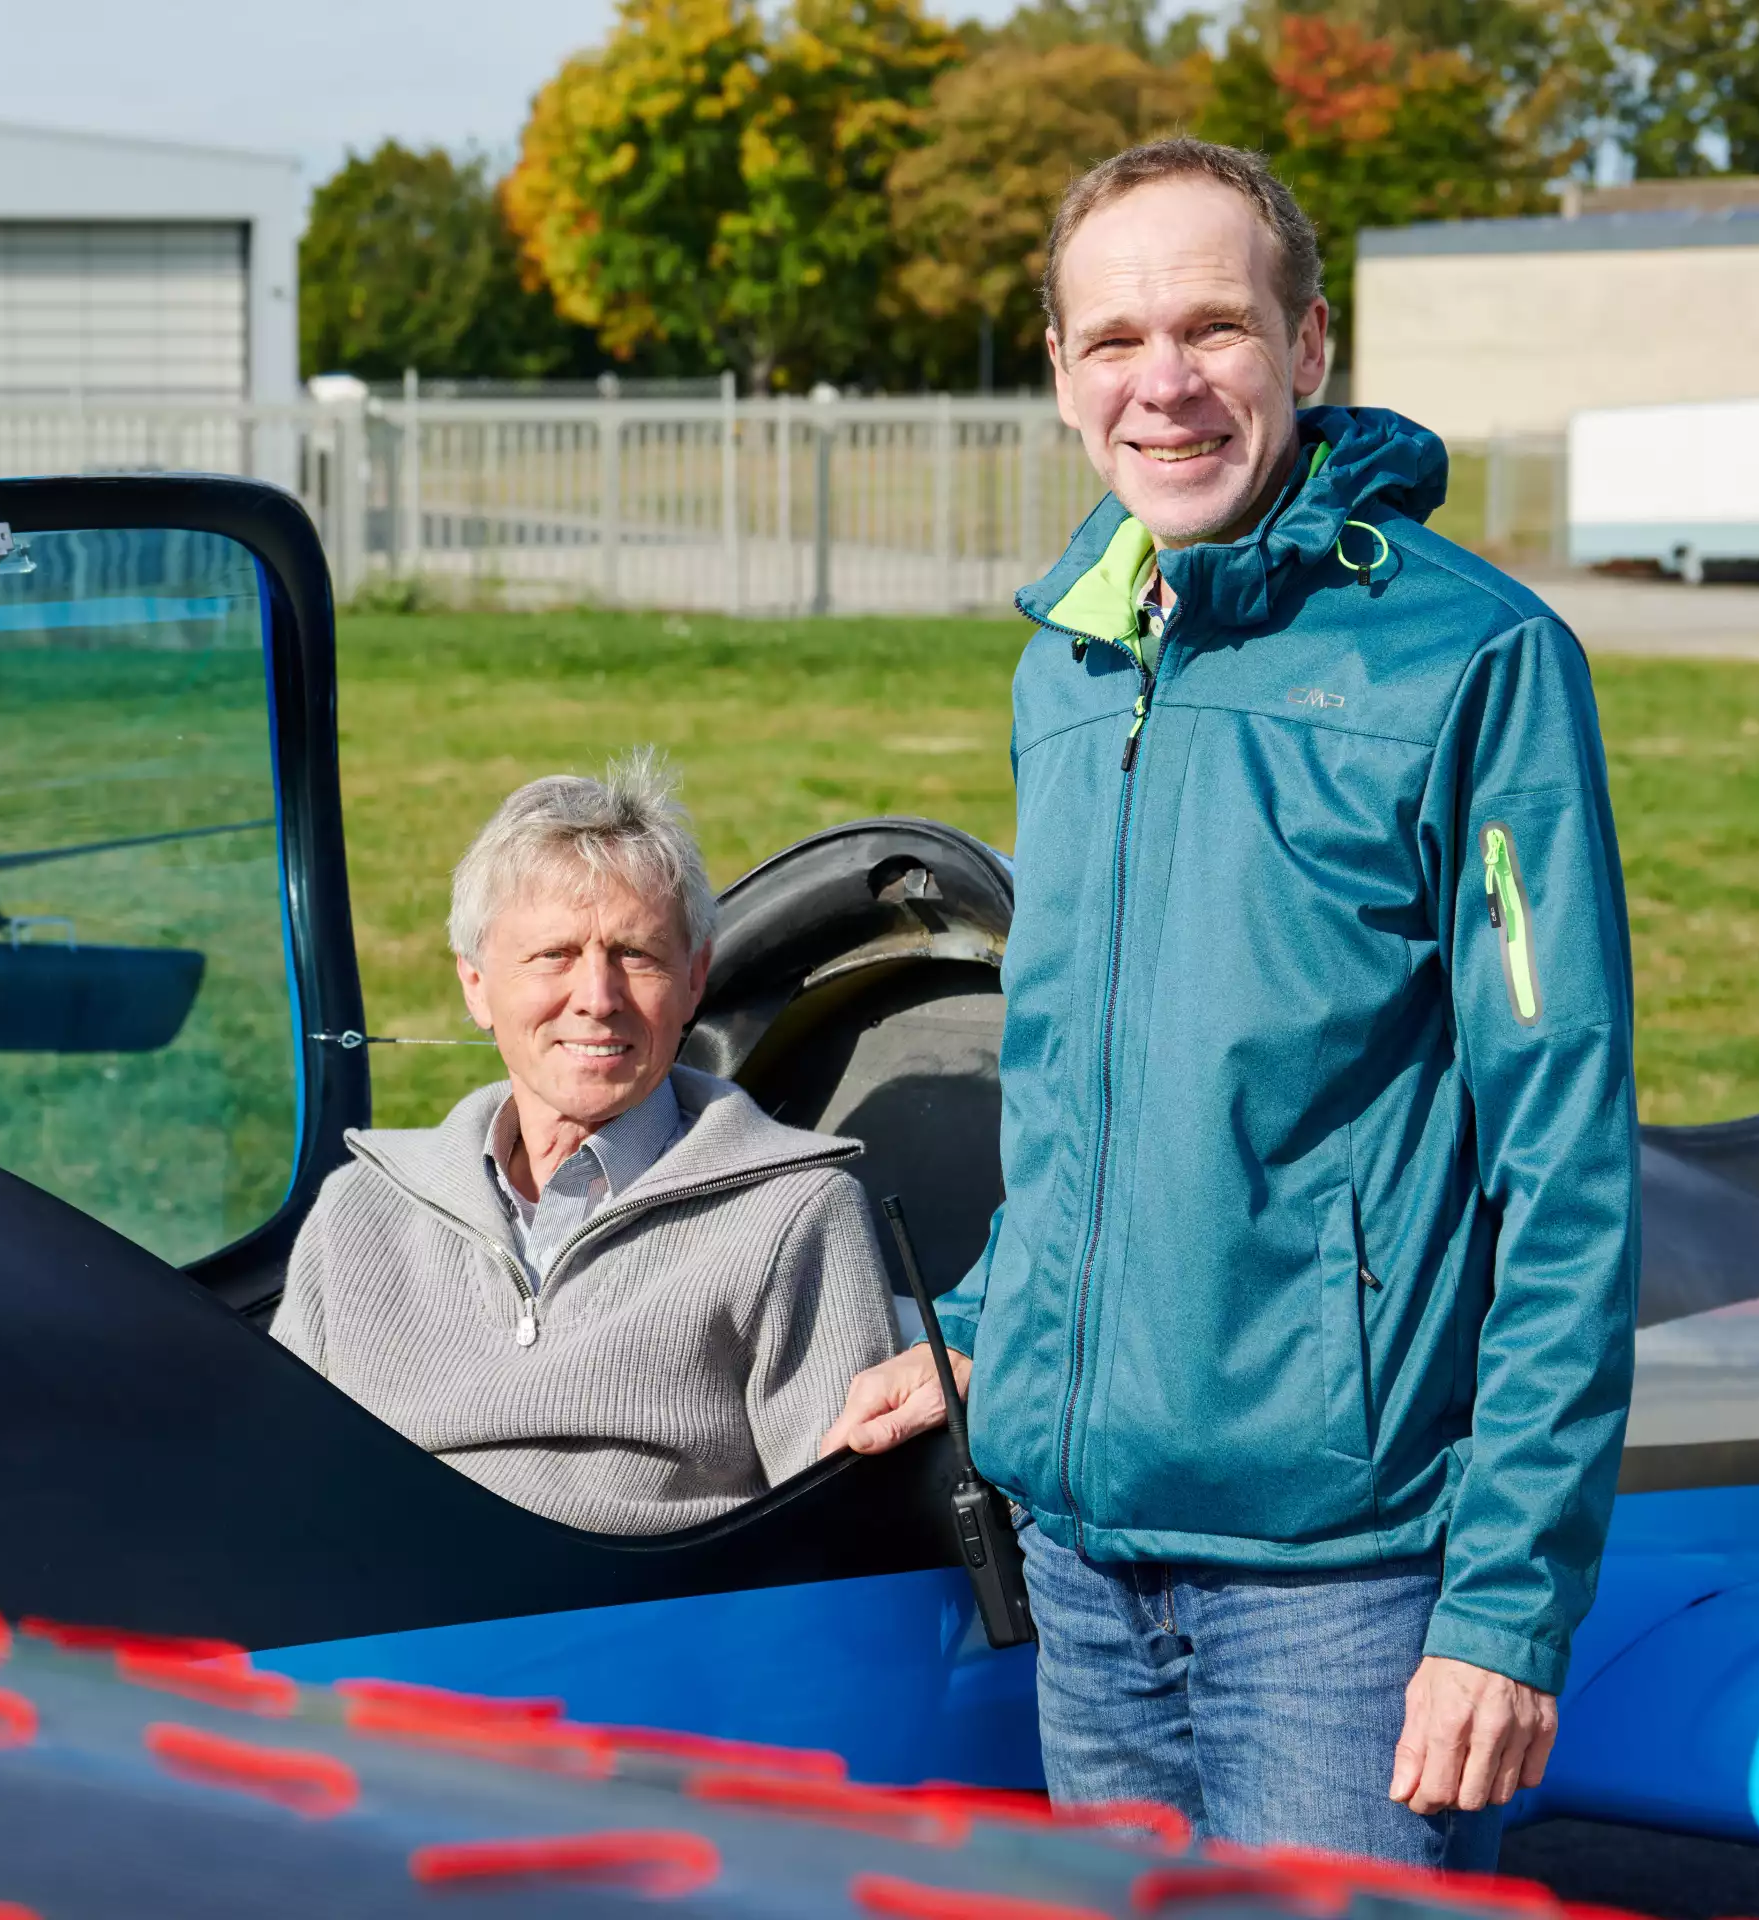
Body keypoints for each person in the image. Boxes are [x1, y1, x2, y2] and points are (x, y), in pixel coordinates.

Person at [821, 139, 1638, 1871]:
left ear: (1311, 348)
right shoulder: (1070, 660)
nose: (1165, 383)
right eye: (1114, 339)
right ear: (1058, 374)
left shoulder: (1472, 666)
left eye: (1214, 327)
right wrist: (993, 1326)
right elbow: (1082, 1082)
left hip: (1339, 1596)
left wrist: (1504, 1608)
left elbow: (1563, 1167)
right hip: (1082, 1573)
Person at [273, 752, 895, 1535]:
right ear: (475, 985)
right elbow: (275, 1486)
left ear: (696, 978)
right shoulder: (360, 1210)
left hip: (653, 1634)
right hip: (382, 1628)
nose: (597, 999)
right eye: (553, 957)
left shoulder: (793, 1215)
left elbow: (841, 1544)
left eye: (635, 956)